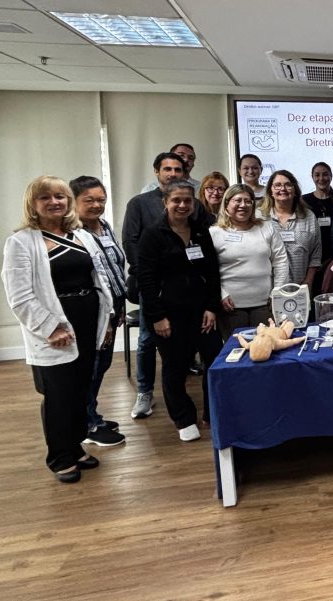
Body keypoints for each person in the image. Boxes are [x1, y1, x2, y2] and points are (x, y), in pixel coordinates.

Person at [2, 176, 114, 483]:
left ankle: (75, 447)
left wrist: (106, 320)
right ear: (33, 204)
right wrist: (50, 328)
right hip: (55, 328)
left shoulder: (81, 235)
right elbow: (19, 296)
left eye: (60, 196)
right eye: (45, 197)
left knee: (80, 390)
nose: (54, 202)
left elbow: (99, 280)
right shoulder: (22, 242)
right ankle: (59, 457)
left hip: (87, 321)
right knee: (59, 394)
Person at [136, 180, 220, 442]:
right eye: (176, 200)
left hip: (201, 312)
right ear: (165, 202)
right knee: (175, 367)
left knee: (214, 360)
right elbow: (146, 280)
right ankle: (183, 418)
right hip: (168, 315)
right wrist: (157, 317)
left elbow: (212, 272)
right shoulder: (152, 235)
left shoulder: (200, 232)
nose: (182, 205)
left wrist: (211, 307)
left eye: (187, 201)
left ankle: (212, 413)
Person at [122, 151, 200, 420]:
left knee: (184, 341)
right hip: (153, 287)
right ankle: (145, 392)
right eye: (167, 169)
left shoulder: (193, 203)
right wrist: (147, 276)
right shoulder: (139, 203)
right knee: (147, 339)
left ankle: (179, 385)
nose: (173, 174)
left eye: (178, 169)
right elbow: (131, 241)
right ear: (157, 172)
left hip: (185, 289)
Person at [70, 176, 127, 447]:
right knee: (90, 368)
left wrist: (120, 307)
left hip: (114, 307)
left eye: (101, 200)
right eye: (89, 200)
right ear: (74, 201)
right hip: (94, 312)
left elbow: (115, 267)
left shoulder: (104, 226)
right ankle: (87, 425)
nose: (96, 205)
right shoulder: (72, 233)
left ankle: (92, 414)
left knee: (102, 365)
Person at [210, 183, 289, 338]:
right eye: (237, 200)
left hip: (265, 304)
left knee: (267, 345)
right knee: (237, 348)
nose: (243, 205)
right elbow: (208, 270)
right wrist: (221, 293)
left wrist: (277, 292)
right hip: (230, 306)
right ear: (227, 204)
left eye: (248, 201)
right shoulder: (214, 233)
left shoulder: (266, 227)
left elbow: (280, 261)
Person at [259, 169, 321, 287]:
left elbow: (316, 254)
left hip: (301, 286)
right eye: (277, 185)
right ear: (270, 191)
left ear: (295, 190)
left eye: (288, 185)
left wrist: (308, 281)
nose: (283, 189)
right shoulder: (260, 217)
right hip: (267, 288)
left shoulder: (308, 216)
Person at [301, 162, 333, 263]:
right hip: (310, 255)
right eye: (317, 175)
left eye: (325, 174)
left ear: (331, 176)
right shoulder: (303, 201)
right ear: (312, 177)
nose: (321, 178)